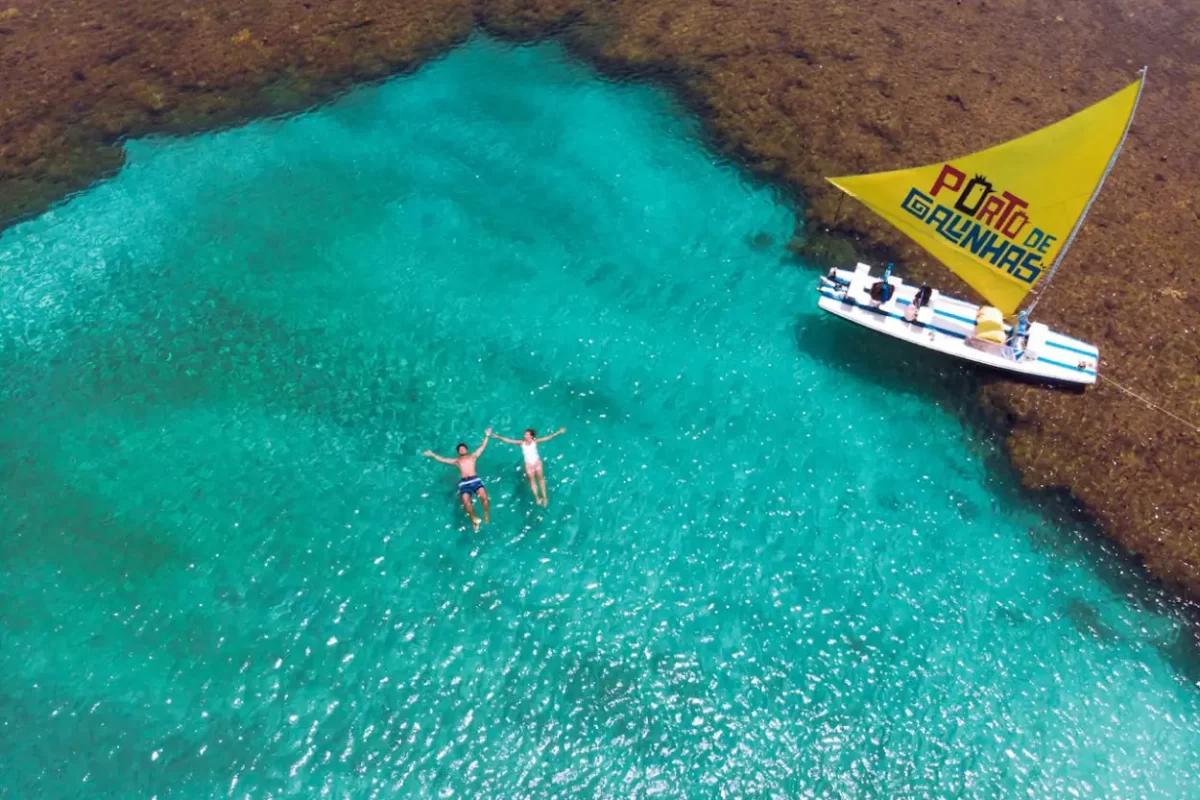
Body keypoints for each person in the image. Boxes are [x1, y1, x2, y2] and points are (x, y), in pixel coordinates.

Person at [423, 429, 492, 530]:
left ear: (466, 450)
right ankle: (474, 518)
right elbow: (443, 459)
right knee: (466, 503)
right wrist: (432, 454)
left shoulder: (473, 456)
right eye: (460, 450)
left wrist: (487, 436)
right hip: (464, 483)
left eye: (463, 449)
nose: (462, 450)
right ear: (458, 452)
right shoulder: (456, 460)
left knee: (485, 500)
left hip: (475, 480)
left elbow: (482, 447)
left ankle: (486, 513)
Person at [489, 427, 566, 506]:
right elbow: (509, 440)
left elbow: (547, 438)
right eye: (525, 434)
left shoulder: (535, 442)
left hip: (537, 463)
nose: (525, 435)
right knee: (532, 480)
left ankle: (545, 497)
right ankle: (537, 498)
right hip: (528, 465)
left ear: (531, 436)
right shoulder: (521, 443)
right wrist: (498, 437)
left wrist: (558, 432)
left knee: (541, 479)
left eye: (527, 434)